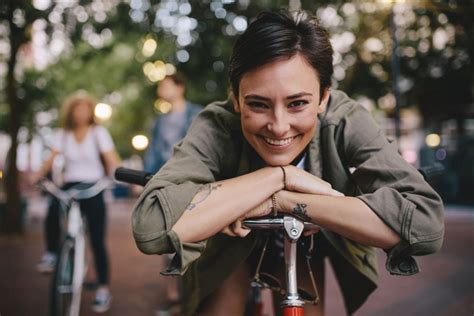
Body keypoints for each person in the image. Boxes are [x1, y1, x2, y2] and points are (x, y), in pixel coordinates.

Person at [132, 10, 444, 316]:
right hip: (228, 242)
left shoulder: (344, 118)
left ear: (323, 97)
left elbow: (424, 226)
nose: (279, 126)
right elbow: (151, 228)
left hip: (308, 243)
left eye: (297, 104)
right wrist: (279, 177)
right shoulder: (218, 123)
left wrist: (284, 199)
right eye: (258, 104)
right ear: (237, 98)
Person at [31, 91, 121, 313]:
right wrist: (37, 175)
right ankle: (52, 253)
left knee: (97, 240)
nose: (80, 113)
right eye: (76, 108)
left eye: (84, 108)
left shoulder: (98, 133)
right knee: (53, 208)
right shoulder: (62, 134)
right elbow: (50, 161)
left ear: (90, 111)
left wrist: (122, 175)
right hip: (71, 184)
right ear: (70, 112)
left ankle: (102, 289)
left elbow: (111, 159)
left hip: (94, 186)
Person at [143, 73, 201, 174]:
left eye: (166, 86)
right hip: (164, 172)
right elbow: (153, 152)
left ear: (180, 88)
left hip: (189, 171)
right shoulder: (159, 121)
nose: (161, 89)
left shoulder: (197, 114)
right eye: (160, 86)